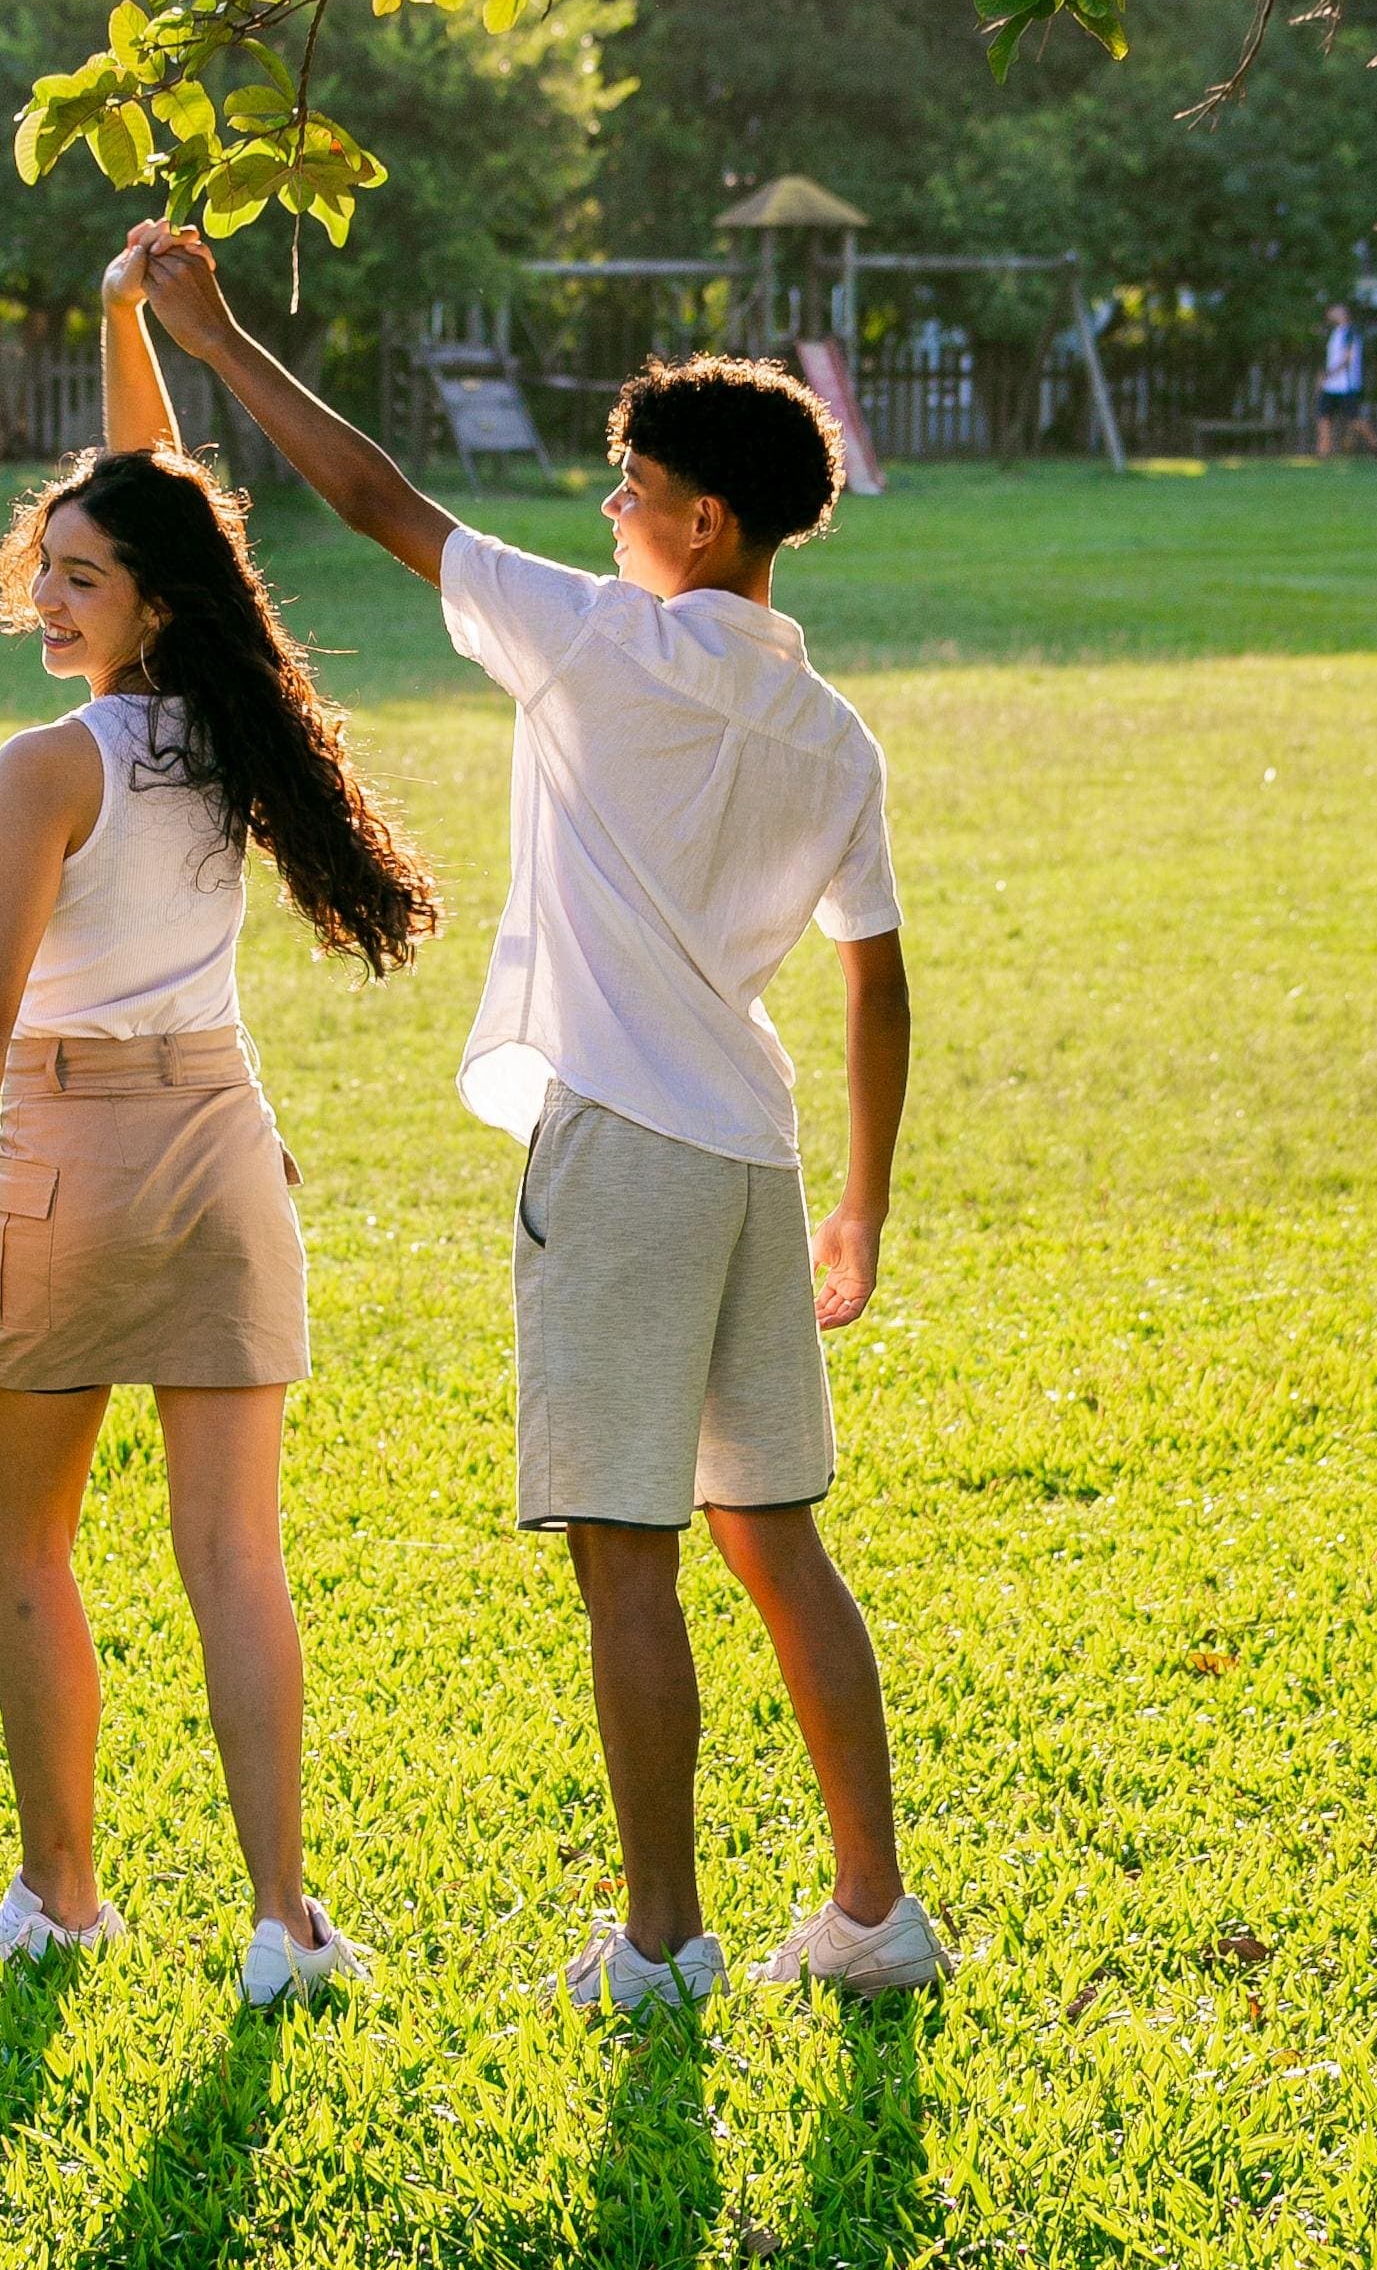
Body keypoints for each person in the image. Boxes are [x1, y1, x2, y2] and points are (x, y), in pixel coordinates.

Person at [136, 220, 951, 2017]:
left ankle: (659, 1939)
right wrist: (862, 1209)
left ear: (703, 526)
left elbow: (371, 495)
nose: (605, 513)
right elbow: (875, 974)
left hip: (623, 1152)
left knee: (623, 1556)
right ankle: (871, 1911)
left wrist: (210, 334)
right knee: (776, 1534)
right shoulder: (830, 732)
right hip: (751, 1149)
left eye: (628, 487)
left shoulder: (598, 649)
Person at [0, 238, 438, 2005]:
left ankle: (64, 1893)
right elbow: (166, 501)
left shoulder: (43, 767)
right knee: (231, 1552)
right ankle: (284, 1919)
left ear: (144, 601)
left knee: (25, 1535)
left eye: (82, 580)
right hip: (220, 1143)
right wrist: (124, 317)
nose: (51, 602)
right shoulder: (226, 725)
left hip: (70, 1151)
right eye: (42, 572)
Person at [1315, 302, 1377, 459]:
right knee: (1323, 418)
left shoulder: (1350, 332)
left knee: (1354, 420)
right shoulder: (1335, 333)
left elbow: (1347, 358)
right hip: (1330, 386)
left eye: (1335, 310)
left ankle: (1376, 444)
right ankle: (1323, 452)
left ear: (1344, 313)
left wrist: (1328, 374)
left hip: (1346, 385)